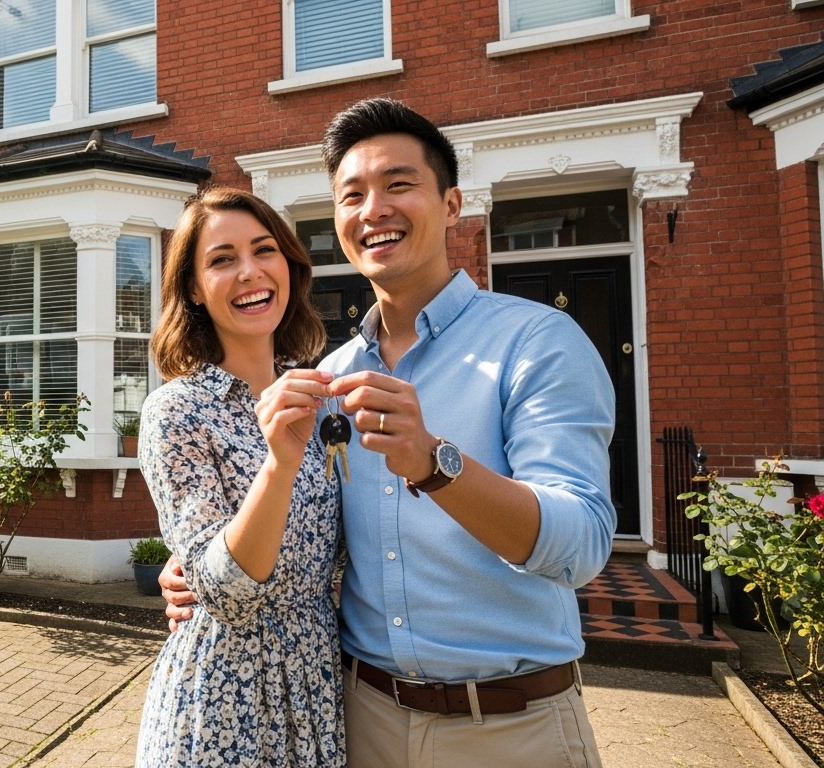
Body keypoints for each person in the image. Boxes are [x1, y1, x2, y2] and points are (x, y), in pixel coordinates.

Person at [160, 99, 616, 768]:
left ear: (453, 204)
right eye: (352, 195)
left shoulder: (536, 343)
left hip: (509, 727)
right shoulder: (331, 379)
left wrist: (435, 463)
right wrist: (195, 567)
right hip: (357, 721)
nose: (374, 208)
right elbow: (314, 536)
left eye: (399, 184)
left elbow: (581, 547)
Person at [134, 187, 344, 766]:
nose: (250, 272)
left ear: (289, 266)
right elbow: (223, 592)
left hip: (319, 685)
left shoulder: (325, 399)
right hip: (225, 697)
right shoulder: (176, 410)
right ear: (195, 290)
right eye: (222, 259)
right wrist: (279, 462)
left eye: (264, 250)